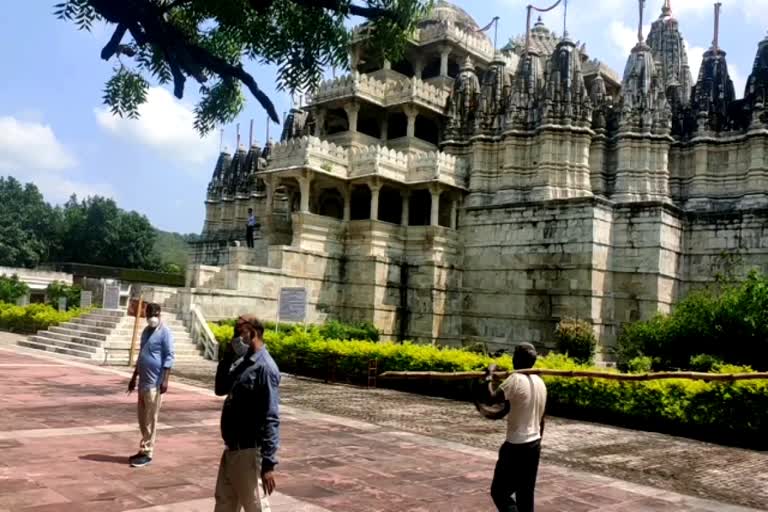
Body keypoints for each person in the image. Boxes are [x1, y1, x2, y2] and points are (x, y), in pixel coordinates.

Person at [214, 315, 280, 512]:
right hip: (232, 449)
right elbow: (220, 388)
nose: (236, 337)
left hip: (249, 452)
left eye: (239, 332)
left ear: (252, 333)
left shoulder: (265, 368)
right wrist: (227, 355)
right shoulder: (244, 362)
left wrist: (268, 464)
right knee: (224, 504)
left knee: (256, 507)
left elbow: (271, 416)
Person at [487, 343, 547, 512]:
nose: (512, 358)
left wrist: (489, 375)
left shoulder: (515, 379)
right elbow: (542, 419)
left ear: (519, 359)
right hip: (534, 444)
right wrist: (538, 441)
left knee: (499, 492)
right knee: (525, 494)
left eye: (515, 355)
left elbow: (491, 398)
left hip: (516, 446)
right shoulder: (540, 382)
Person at [127, 302, 175, 468]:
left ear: (159, 313)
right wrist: (134, 378)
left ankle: (148, 452)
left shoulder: (165, 333)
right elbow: (141, 355)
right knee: (142, 418)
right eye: (148, 314)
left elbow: (169, 356)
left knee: (151, 418)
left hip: (155, 383)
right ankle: (143, 447)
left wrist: (165, 379)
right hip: (143, 383)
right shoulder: (146, 332)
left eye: (154, 314)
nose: (151, 317)